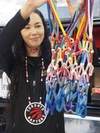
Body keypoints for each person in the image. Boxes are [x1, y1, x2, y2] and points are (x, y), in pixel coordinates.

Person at [0, 0, 85, 133]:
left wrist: (79, 25)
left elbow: (85, 59)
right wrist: (29, 6)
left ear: (44, 29)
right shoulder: (13, 62)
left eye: (38, 26)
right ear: (19, 32)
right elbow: (2, 44)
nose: (33, 32)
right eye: (27, 27)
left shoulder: (58, 62)